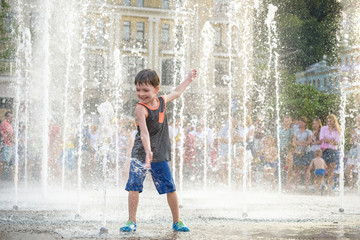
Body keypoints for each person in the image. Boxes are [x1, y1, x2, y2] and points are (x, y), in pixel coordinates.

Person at [120, 69, 197, 232]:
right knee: (134, 186)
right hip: (141, 153)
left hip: (159, 153)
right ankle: (131, 221)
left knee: (170, 187)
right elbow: (144, 133)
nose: (141, 94)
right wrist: (148, 150)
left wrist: (188, 79)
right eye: (138, 90)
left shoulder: (162, 101)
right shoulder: (140, 109)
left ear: (156, 89)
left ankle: (177, 221)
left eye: (145, 90)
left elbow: (176, 92)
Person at [320, 114, 340, 191]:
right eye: (328, 121)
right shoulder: (323, 128)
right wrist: (331, 141)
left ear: (334, 121)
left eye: (331, 121)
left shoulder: (337, 130)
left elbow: (337, 142)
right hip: (325, 150)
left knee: (331, 169)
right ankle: (322, 185)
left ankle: (329, 187)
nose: (329, 122)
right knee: (324, 168)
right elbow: (322, 139)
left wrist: (328, 140)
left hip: (333, 150)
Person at [292, 116, 312, 191]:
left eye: (301, 122)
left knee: (306, 169)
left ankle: (307, 187)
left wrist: (300, 143)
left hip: (306, 151)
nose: (299, 123)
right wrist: (302, 143)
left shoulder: (308, 132)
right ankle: (296, 186)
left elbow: (309, 142)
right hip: (298, 151)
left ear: (305, 123)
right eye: (299, 121)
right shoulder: (296, 131)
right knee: (297, 168)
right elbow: (294, 141)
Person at [345, 116, 360, 189]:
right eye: (357, 121)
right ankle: (351, 187)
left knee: (357, 170)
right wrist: (352, 135)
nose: (358, 122)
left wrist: (357, 135)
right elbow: (351, 142)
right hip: (353, 150)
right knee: (347, 170)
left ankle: (357, 186)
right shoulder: (354, 130)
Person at [0, 111, 14, 180]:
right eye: (9, 116)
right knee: (4, 163)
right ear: (6, 117)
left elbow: (11, 134)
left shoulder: (9, 124)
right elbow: (9, 135)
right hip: (7, 145)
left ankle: (15, 180)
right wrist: (14, 141)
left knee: (6, 163)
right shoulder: (5, 123)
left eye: (11, 116)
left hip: (9, 145)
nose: (11, 118)